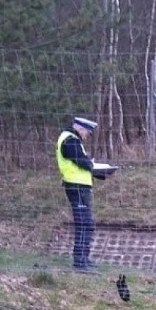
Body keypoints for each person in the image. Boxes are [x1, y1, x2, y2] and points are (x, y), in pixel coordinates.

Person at [56, 115, 112, 273]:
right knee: (83, 224)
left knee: (87, 224)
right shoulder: (70, 140)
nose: (87, 136)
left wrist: (102, 174)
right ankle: (80, 262)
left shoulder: (72, 140)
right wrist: (99, 168)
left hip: (81, 187)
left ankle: (84, 259)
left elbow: (81, 164)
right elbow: (81, 161)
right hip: (77, 187)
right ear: (80, 128)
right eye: (87, 132)